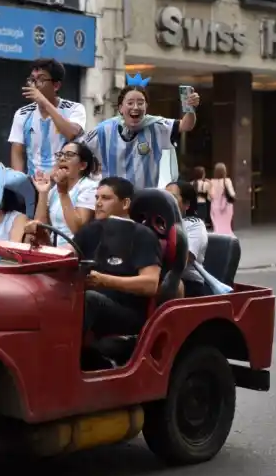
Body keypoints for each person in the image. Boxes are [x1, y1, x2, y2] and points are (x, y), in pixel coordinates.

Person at [72, 177, 163, 338]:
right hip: (90, 304)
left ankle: (63, 357)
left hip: (127, 313)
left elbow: (150, 284)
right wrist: (42, 239)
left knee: (89, 299)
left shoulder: (142, 235)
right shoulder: (89, 230)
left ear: (125, 203)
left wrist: (104, 280)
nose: (98, 203)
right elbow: (65, 253)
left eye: (106, 198)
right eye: (97, 198)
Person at [83, 77, 200, 189]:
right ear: (120, 108)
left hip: (144, 201)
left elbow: (186, 125)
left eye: (140, 103)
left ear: (146, 106)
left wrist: (190, 108)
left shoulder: (157, 126)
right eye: (130, 103)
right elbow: (80, 150)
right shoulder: (104, 129)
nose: (135, 107)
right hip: (112, 201)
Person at [8, 58, 87, 176]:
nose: (35, 84)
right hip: (34, 183)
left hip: (65, 182)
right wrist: (19, 183)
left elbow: (71, 133)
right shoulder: (22, 114)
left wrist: (44, 103)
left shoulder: (74, 109)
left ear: (56, 86)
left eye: (41, 79)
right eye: (32, 80)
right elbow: (17, 152)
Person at [31, 141, 99, 246]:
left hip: (76, 250)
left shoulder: (90, 187)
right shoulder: (53, 190)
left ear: (82, 165)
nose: (62, 159)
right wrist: (43, 193)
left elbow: (77, 230)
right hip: (53, 247)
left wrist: (63, 192)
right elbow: (39, 228)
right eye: (60, 155)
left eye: (69, 155)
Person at [167, 181, 209, 297]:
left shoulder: (194, 225)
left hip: (188, 282)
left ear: (186, 204)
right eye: (164, 196)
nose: (166, 201)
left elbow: (183, 260)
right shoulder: (159, 223)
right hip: (162, 277)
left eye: (172, 197)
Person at [209, 163, 236, 236]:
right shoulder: (227, 181)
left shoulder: (212, 182)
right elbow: (232, 193)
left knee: (217, 226)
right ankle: (228, 239)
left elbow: (210, 196)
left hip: (215, 206)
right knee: (227, 226)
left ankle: (218, 240)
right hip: (226, 206)